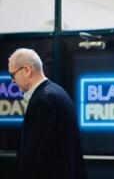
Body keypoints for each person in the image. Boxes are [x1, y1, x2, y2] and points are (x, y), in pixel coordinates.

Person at [8, 48, 87, 179]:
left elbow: (34, 155)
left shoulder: (43, 100)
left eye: (13, 75)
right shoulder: (57, 92)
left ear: (27, 70)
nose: (12, 81)